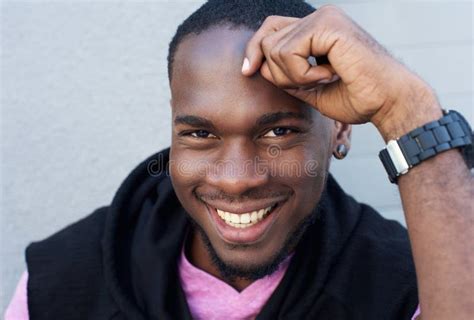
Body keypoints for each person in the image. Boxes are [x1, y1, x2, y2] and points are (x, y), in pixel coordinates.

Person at [5, 1, 473, 319]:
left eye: (278, 131)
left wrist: (405, 109)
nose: (236, 180)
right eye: (200, 133)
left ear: (339, 130)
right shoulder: (64, 279)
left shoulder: (408, 283)